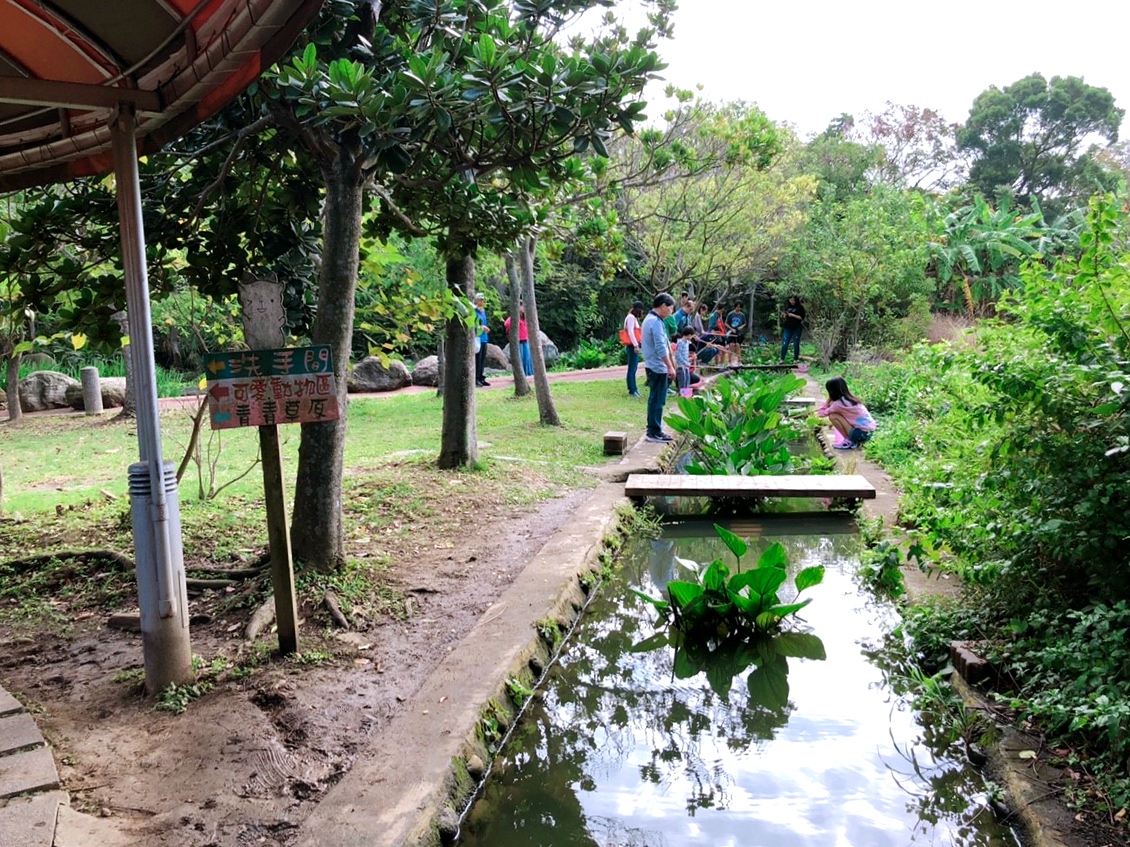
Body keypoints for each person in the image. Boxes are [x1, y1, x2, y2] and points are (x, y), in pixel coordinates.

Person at [641, 292, 677, 443]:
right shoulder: (655, 322)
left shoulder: (651, 320)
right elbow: (661, 347)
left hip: (653, 365)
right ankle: (654, 431)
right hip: (657, 366)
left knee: (655, 398)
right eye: (670, 309)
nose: (670, 313)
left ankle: (654, 429)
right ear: (663, 306)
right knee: (658, 399)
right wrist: (670, 367)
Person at [816, 376, 877, 449]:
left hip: (860, 434)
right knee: (837, 414)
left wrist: (828, 400)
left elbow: (820, 414)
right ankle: (853, 440)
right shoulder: (852, 399)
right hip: (868, 433)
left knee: (833, 416)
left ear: (831, 391)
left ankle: (849, 442)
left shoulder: (837, 404)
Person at [504, 305, 534, 377]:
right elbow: (506, 324)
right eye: (521, 306)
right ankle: (521, 374)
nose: (523, 308)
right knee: (521, 358)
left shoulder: (524, 317)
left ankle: (528, 372)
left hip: (525, 339)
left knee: (527, 357)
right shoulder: (514, 318)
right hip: (518, 340)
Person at [622, 300, 644, 397]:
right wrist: (636, 345)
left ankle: (634, 388)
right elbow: (631, 332)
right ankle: (632, 389)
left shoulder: (632, 317)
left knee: (633, 368)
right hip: (632, 346)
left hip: (633, 345)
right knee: (632, 368)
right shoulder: (631, 318)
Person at [779, 295, 806, 363]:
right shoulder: (787, 307)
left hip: (797, 327)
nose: (792, 302)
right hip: (788, 327)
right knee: (785, 343)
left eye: (793, 300)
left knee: (796, 343)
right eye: (791, 300)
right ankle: (782, 359)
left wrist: (793, 315)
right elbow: (784, 318)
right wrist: (784, 315)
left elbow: (801, 318)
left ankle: (796, 359)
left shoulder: (800, 307)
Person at [474, 293, 490, 387]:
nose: (483, 301)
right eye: (481, 300)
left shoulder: (483, 312)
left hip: (484, 338)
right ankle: (475, 379)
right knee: (477, 359)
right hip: (477, 338)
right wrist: (481, 328)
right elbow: (474, 325)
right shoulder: (474, 312)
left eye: (483, 300)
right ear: (477, 300)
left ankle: (481, 377)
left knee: (483, 359)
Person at [725, 302, 746, 366]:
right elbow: (726, 323)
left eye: (740, 307)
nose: (738, 308)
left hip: (738, 332)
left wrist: (740, 327)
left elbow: (744, 323)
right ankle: (729, 362)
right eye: (737, 307)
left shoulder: (742, 315)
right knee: (731, 346)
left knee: (737, 345)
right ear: (735, 307)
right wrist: (731, 329)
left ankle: (739, 361)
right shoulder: (730, 314)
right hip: (731, 332)